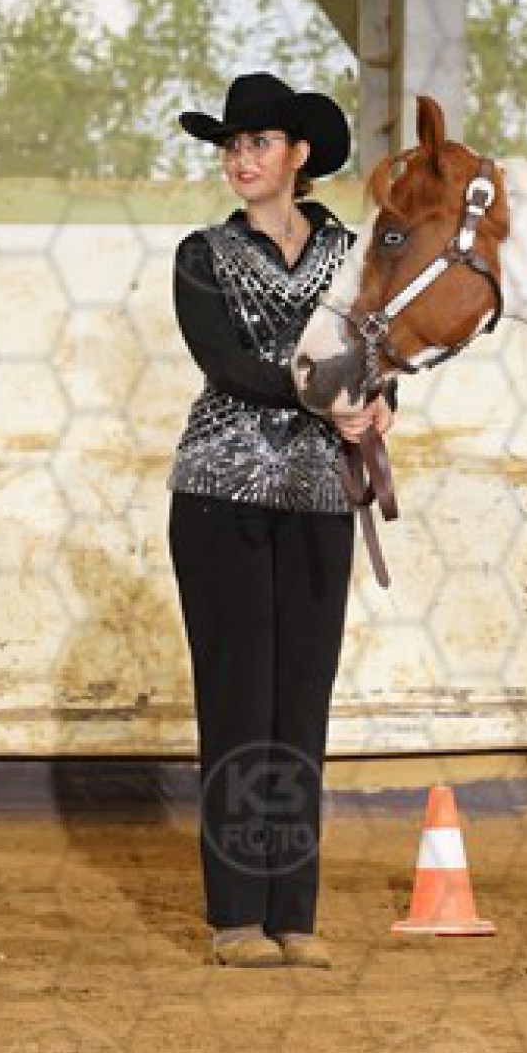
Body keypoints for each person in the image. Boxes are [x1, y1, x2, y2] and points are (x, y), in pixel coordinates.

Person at [167, 72, 390, 968]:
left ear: (299, 155)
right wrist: (333, 396)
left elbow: (379, 349)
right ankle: (235, 916)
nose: (240, 159)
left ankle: (293, 914)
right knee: (238, 701)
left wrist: (379, 402)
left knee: (300, 700)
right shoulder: (201, 255)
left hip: (319, 497)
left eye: (257, 143)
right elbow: (226, 363)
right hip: (219, 495)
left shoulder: (352, 255)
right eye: (232, 145)